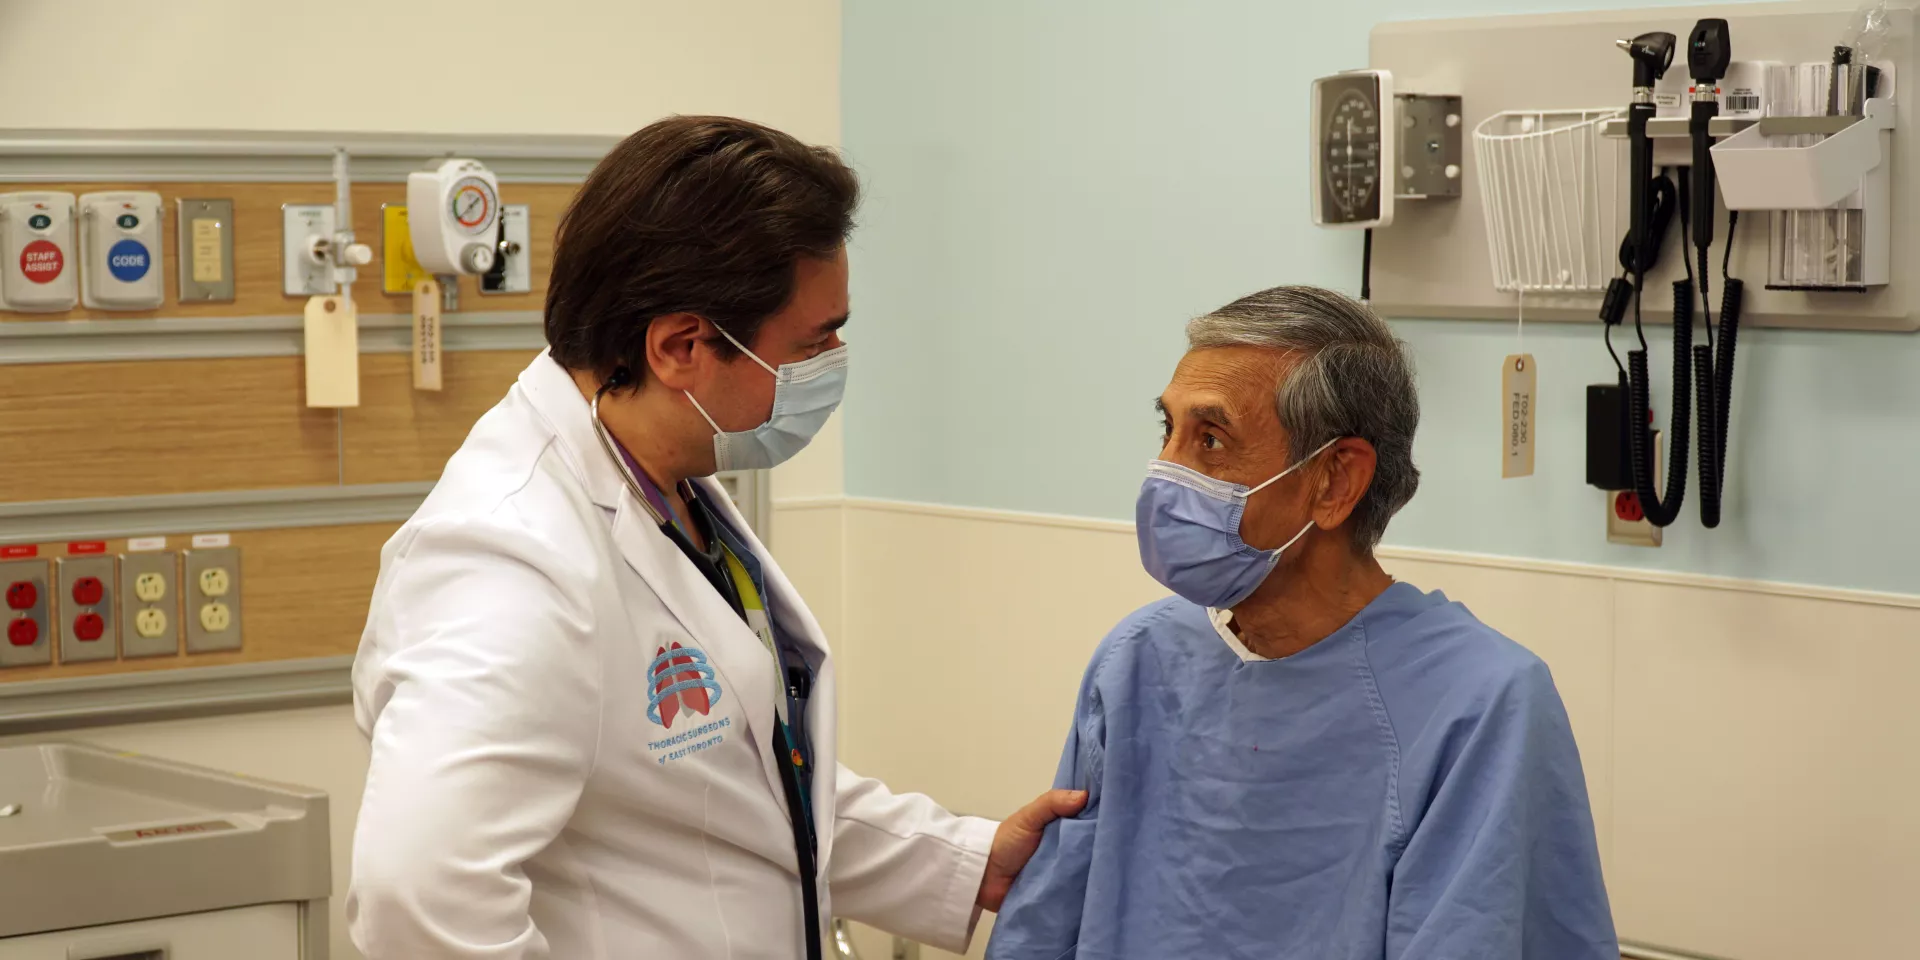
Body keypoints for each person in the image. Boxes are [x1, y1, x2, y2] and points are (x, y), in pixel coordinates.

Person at [348, 116, 1083, 960]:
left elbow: (744, 787)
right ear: (680, 347)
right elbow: (417, 899)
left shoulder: (662, 482)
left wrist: (972, 863)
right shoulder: (512, 562)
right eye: (815, 340)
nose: (835, 359)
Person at [985, 286, 1617, 960]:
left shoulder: (1481, 705)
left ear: (1335, 481)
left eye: (1211, 439)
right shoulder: (1138, 661)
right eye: (1167, 431)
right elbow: (1045, 926)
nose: (1165, 472)